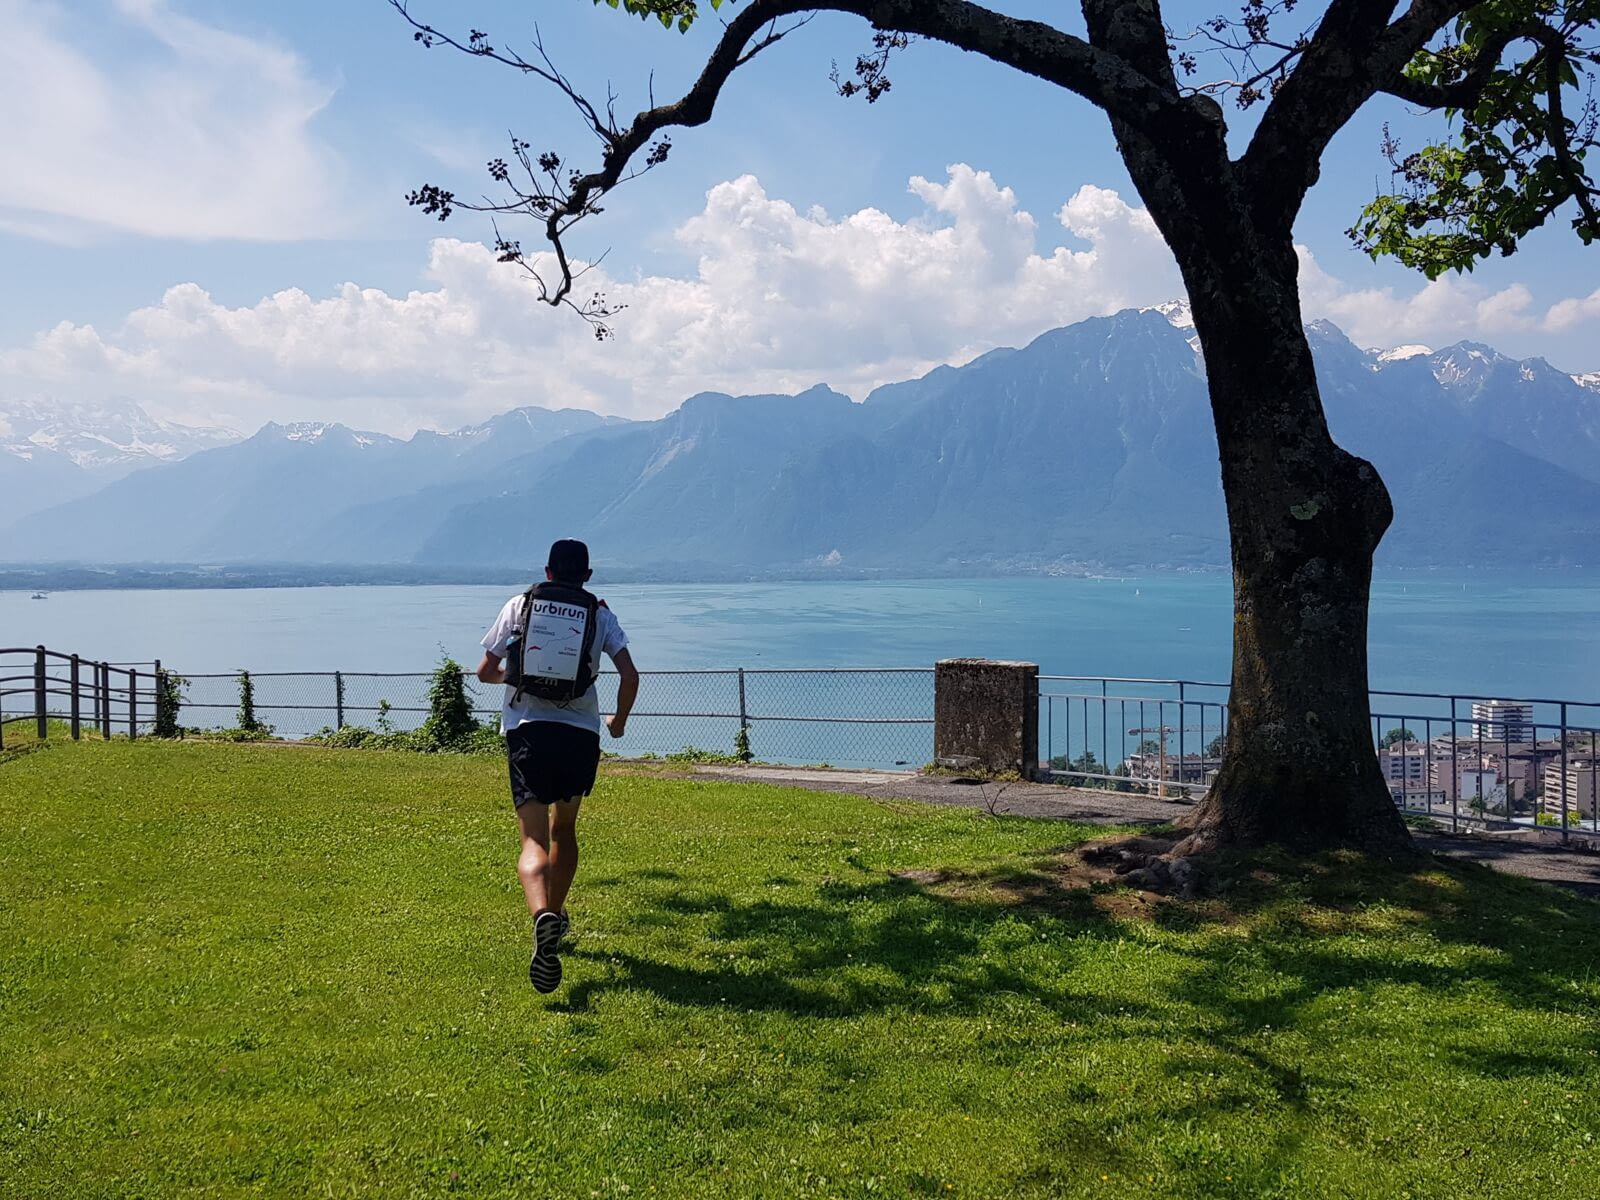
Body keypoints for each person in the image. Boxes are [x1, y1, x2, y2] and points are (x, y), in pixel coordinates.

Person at [476, 538, 639, 993]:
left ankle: (541, 914)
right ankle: (557, 916)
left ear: (547, 572)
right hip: (579, 736)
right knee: (563, 831)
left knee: (532, 839)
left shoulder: (519, 606)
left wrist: (519, 674)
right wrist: (618, 723)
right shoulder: (600, 614)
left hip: (527, 732)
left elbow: (484, 672)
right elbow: (630, 676)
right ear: (587, 576)